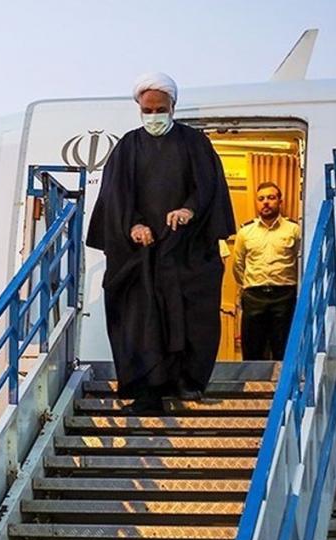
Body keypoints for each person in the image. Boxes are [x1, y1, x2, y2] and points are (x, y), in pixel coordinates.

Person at [86, 72, 235, 413]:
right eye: (147, 110)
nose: (154, 116)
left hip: (186, 250)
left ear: (173, 107)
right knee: (142, 319)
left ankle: (187, 382)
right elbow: (115, 196)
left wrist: (188, 210)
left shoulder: (195, 144)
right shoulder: (128, 147)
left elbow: (208, 188)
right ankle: (148, 391)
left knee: (190, 314)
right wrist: (133, 225)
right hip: (141, 255)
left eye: (160, 110)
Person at [232, 181, 301, 360]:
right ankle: (253, 379)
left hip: (284, 296)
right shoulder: (245, 232)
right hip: (254, 297)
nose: (266, 202)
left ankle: (282, 379)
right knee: (252, 350)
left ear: (280, 201)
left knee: (284, 350)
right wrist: (250, 285)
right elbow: (238, 265)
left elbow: (299, 261)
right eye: (261, 199)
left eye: (271, 198)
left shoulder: (294, 230)